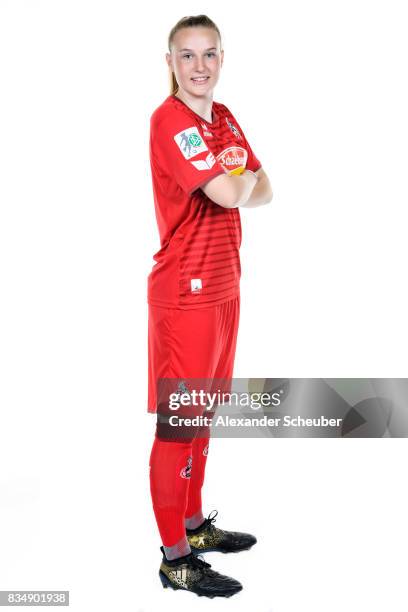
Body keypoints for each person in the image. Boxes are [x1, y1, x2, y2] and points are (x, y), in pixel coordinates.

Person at [147, 14, 273, 598]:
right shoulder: (172, 122)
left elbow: (266, 189)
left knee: (205, 417)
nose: (200, 66)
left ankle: (195, 528)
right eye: (188, 55)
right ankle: (175, 559)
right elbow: (234, 190)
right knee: (180, 426)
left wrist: (240, 175)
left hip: (225, 288)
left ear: (222, 59)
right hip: (186, 294)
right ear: (170, 62)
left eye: (210, 54)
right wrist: (237, 171)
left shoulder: (222, 118)